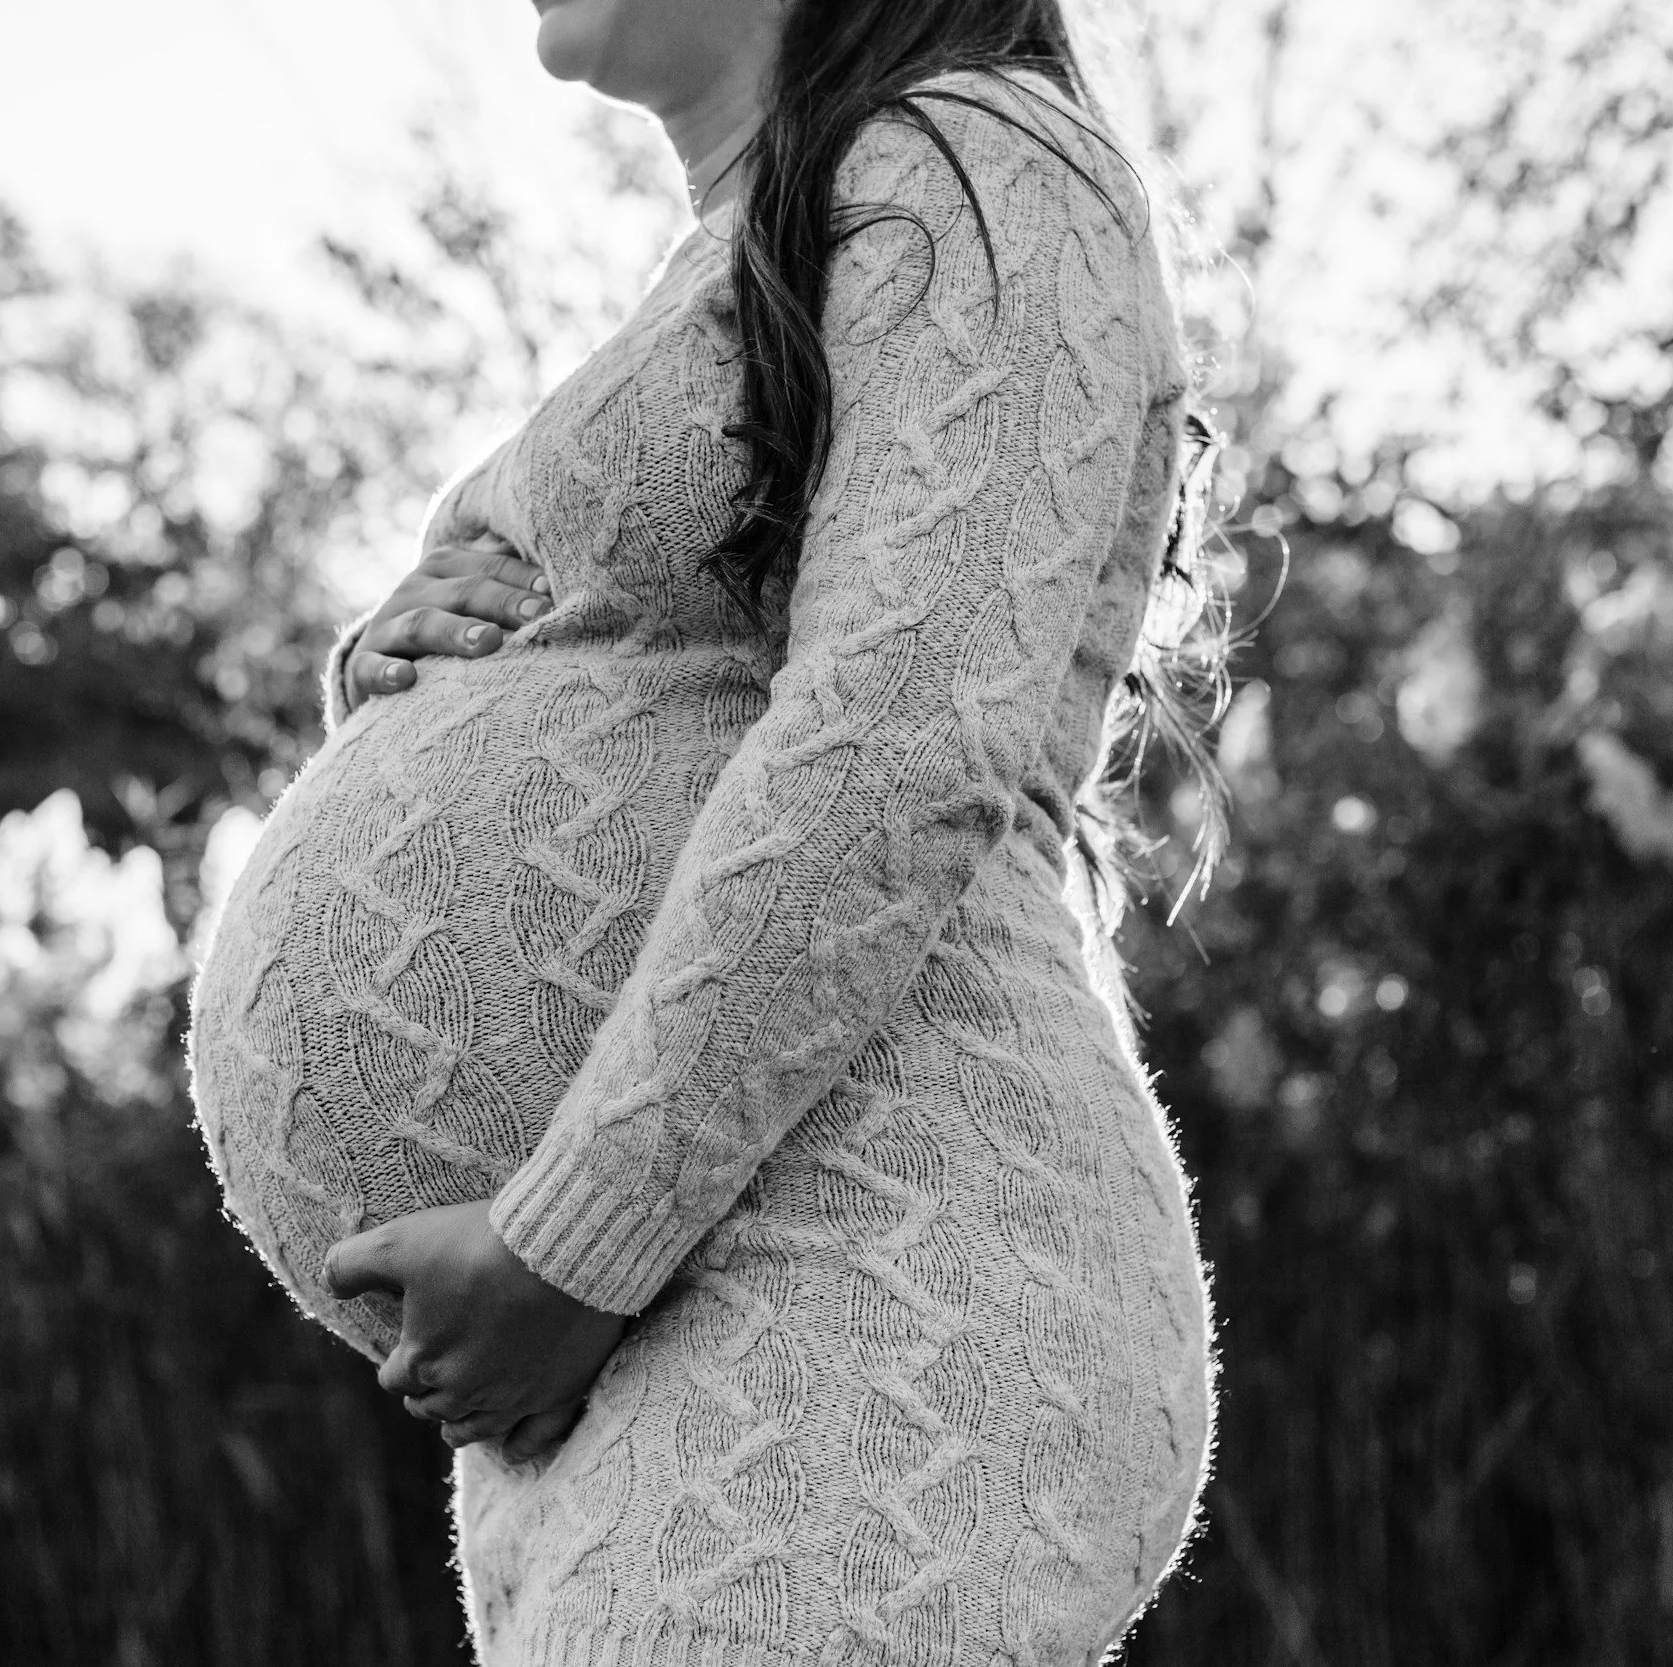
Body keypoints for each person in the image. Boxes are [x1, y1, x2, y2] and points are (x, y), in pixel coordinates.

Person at [187, 0, 1229, 1659]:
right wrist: (416, 675)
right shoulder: (745, 247)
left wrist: (570, 1240)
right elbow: (680, 701)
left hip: (874, 1267)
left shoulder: (982, 160)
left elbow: (898, 738)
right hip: (661, 1318)